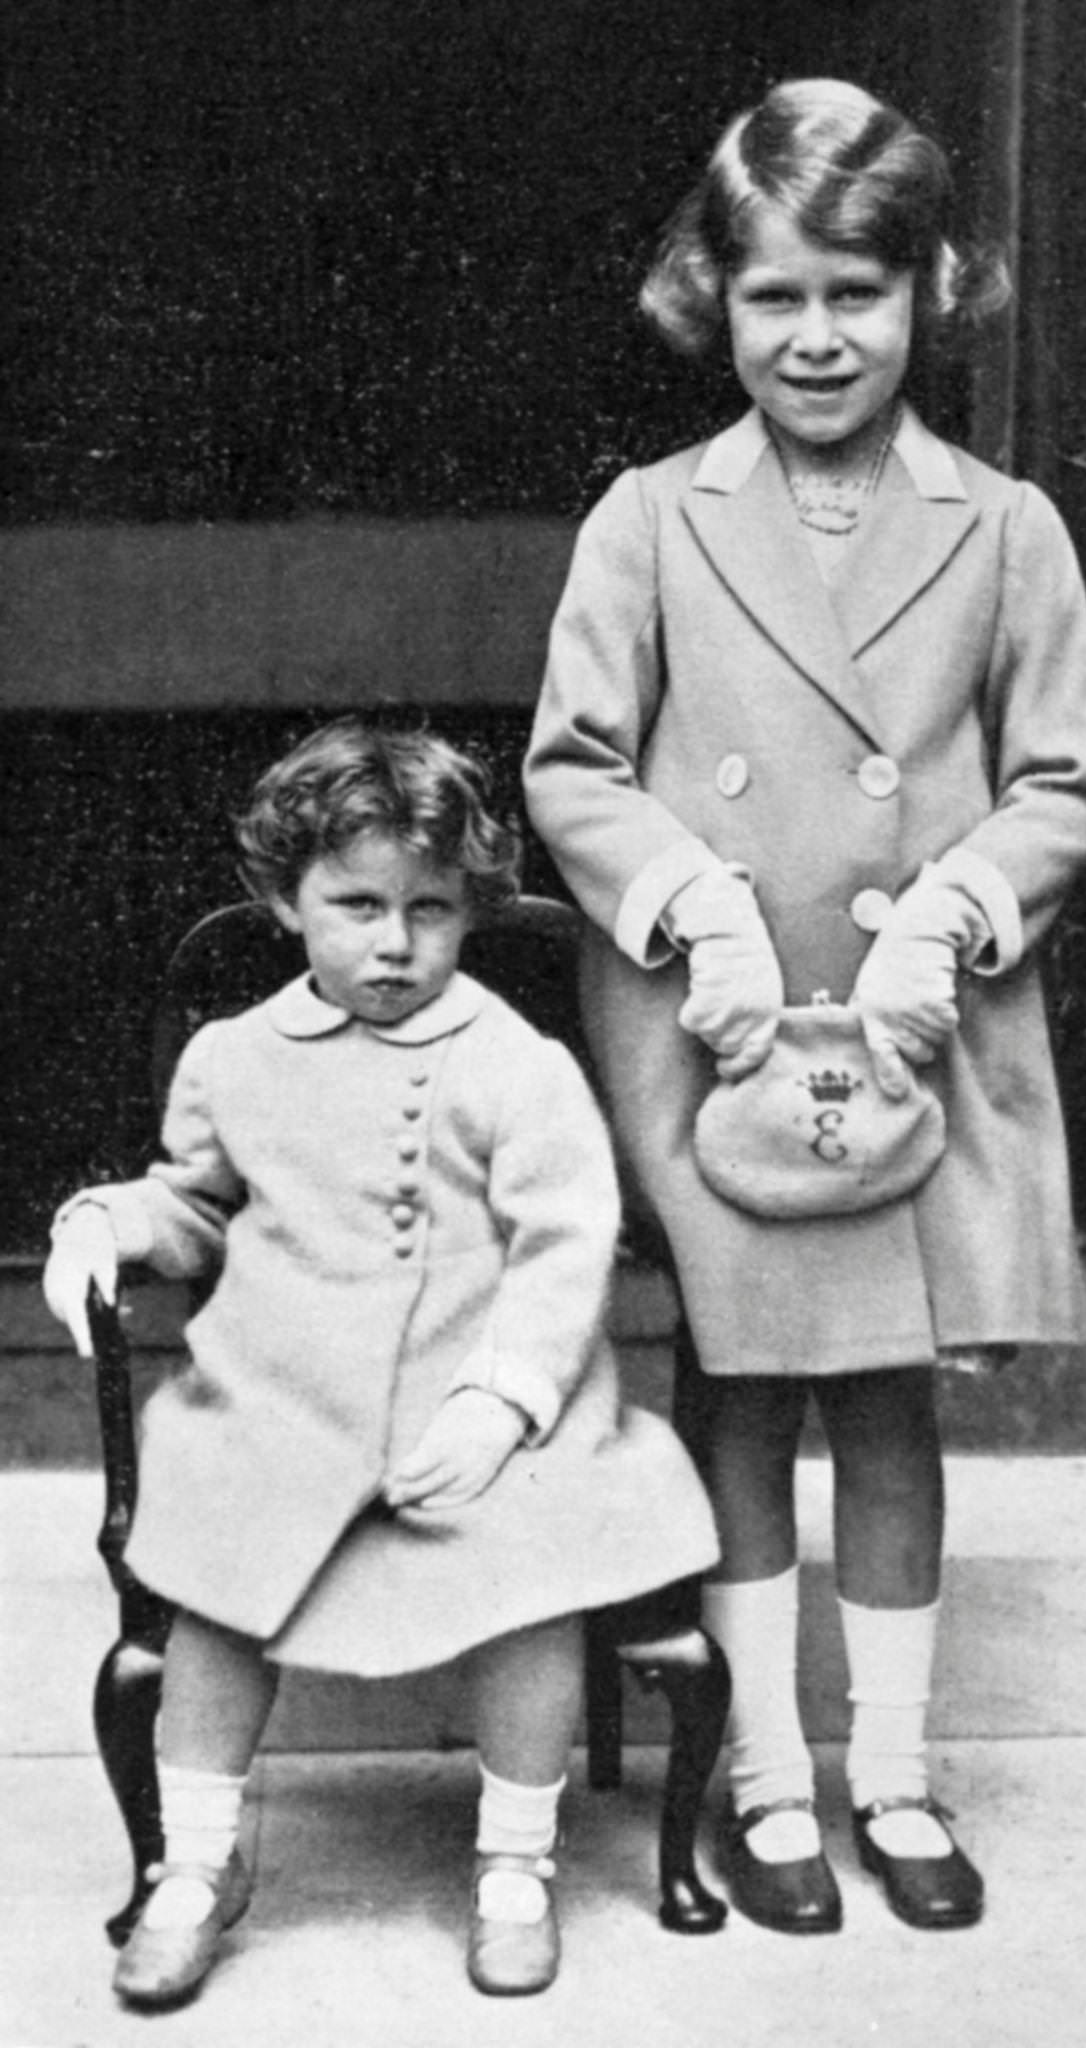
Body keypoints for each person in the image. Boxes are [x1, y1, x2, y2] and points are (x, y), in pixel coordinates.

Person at [524, 78, 1086, 1937]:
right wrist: (685, 893)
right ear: (716, 296)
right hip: (723, 1026)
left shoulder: (1007, 526)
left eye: (855, 292)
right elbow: (572, 762)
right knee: (747, 1386)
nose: (816, 336)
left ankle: (903, 1777)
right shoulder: (648, 520)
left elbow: (1063, 781)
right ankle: (769, 1778)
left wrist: (957, 907)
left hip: (910, 1023)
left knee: (885, 1401)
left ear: (927, 288)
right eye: (775, 296)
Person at [43, 718, 719, 2005]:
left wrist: (503, 1398)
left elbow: (565, 1244)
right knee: (215, 1569)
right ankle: (195, 1862)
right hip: (287, 1394)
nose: (393, 942)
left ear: (470, 912)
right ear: (285, 899)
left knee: (531, 1571)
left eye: (430, 909)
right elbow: (192, 1203)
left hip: (486, 1402)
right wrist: (107, 1220)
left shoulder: (518, 1066)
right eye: (354, 904)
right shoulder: (234, 1057)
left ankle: (516, 1860)